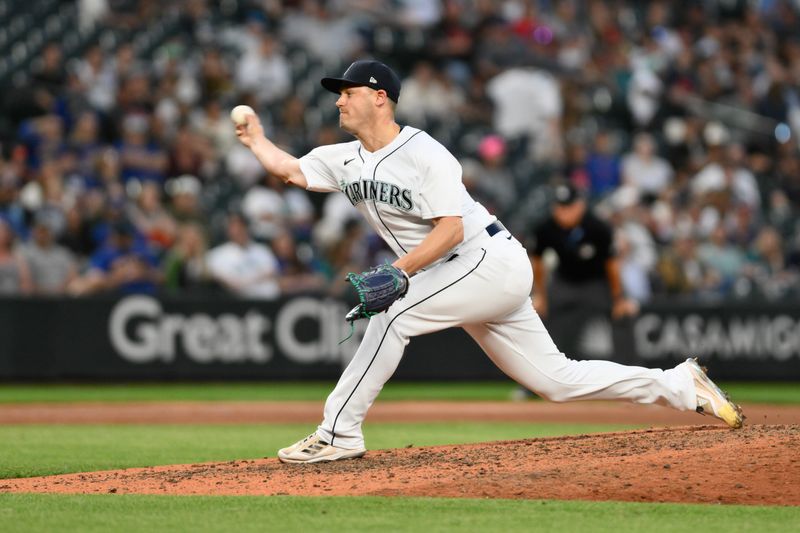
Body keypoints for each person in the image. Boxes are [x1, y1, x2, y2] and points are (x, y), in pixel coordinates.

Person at [234, 59, 743, 464]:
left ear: (380, 97)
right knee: (555, 382)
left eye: (348, 91)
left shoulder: (426, 153)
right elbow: (292, 171)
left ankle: (337, 433)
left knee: (392, 313)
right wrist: (257, 139)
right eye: (338, 93)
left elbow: (451, 228)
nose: (339, 100)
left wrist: (400, 272)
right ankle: (678, 384)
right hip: (460, 272)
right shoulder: (341, 158)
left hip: (486, 258)